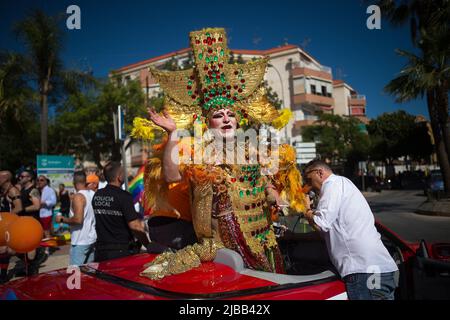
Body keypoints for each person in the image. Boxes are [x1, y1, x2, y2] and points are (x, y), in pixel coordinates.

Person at [134, 28, 307, 280]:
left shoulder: (253, 150)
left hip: (263, 242)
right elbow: (171, 174)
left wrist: (274, 195)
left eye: (230, 114)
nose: (226, 118)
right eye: (218, 115)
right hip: (225, 253)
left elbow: (266, 186)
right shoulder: (197, 151)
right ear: (208, 123)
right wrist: (172, 134)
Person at [302, 159, 399, 300]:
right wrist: (292, 236)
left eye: (309, 180)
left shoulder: (332, 185)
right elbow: (327, 234)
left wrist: (306, 210)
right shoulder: (342, 184)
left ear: (320, 173)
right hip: (375, 269)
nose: (309, 186)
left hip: (365, 271)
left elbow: (321, 223)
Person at [92, 162, 150, 262]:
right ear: (119, 177)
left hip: (101, 251)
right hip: (120, 252)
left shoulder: (97, 195)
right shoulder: (124, 196)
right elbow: (135, 226)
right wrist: (148, 245)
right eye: (124, 173)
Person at [56, 171, 96, 266]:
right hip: (91, 240)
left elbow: (78, 220)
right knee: (89, 275)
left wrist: (62, 219)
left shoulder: (78, 197)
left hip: (80, 241)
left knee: (75, 278)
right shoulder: (92, 194)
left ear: (74, 183)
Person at [37, 175, 57, 258]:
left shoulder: (50, 190)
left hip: (46, 213)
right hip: (38, 214)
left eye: (42, 180)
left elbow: (53, 201)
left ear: (46, 181)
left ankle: (47, 250)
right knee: (40, 233)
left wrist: (43, 203)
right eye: (38, 180)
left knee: (47, 232)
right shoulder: (37, 190)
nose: (39, 182)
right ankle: (43, 248)